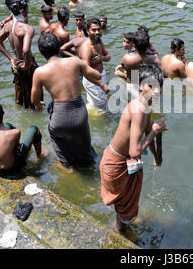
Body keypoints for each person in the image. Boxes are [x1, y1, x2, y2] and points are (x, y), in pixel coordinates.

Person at [100, 64, 167, 231]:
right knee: (125, 208)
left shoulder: (146, 106)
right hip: (116, 163)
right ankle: (119, 233)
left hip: (120, 161)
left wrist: (156, 156)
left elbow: (148, 133)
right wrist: (154, 131)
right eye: (151, 86)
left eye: (159, 86)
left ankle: (119, 227)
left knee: (124, 206)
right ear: (140, 86)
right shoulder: (138, 109)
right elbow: (135, 151)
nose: (156, 90)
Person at [31, 33, 108, 172]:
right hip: (80, 112)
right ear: (59, 48)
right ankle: (89, 165)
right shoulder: (74, 62)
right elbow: (97, 75)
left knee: (55, 135)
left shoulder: (39, 72)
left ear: (42, 53)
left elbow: (34, 100)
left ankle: (68, 167)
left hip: (60, 115)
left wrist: (39, 104)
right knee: (86, 148)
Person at [0, 0, 40, 109]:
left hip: (16, 64)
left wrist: (11, 59)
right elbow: (26, 50)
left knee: (21, 97)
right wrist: (27, 65)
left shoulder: (8, 26)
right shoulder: (27, 29)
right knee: (35, 99)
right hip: (26, 65)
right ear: (23, 10)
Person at [0, 102, 42, 176]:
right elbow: (17, 148)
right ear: (3, 113)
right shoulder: (16, 133)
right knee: (33, 129)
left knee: (7, 125)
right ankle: (39, 158)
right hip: (11, 168)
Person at [78, 18, 111, 112]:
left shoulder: (99, 42)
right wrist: (101, 85)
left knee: (95, 104)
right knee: (103, 107)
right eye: (93, 30)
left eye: (98, 29)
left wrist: (102, 58)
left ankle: (88, 114)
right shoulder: (86, 48)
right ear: (88, 31)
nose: (97, 32)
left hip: (100, 75)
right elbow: (85, 72)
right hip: (92, 81)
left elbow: (108, 57)